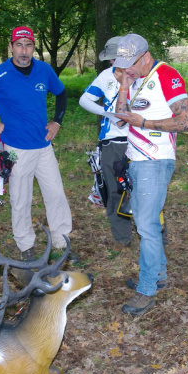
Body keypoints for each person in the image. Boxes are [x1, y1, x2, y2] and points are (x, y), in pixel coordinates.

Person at [0, 26, 75, 266]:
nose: (23, 51)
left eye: (28, 45)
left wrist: (57, 121)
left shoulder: (44, 70)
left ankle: (61, 242)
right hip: (16, 148)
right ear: (11, 47)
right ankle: (26, 247)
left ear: (34, 47)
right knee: (21, 198)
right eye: (19, 45)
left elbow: (62, 93)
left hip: (43, 144)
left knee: (55, 193)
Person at [113, 34, 188, 316]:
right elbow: (120, 115)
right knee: (146, 223)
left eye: (130, 64)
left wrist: (145, 122)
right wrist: (124, 84)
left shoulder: (166, 74)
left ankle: (146, 290)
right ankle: (158, 275)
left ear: (145, 55)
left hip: (155, 160)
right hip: (137, 159)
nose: (128, 69)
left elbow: (185, 121)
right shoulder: (134, 78)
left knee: (146, 226)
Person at [79, 36, 133, 250]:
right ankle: (122, 238)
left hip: (139, 140)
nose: (113, 63)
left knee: (144, 189)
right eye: (111, 60)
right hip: (112, 141)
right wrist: (107, 114)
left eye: (116, 58)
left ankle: (154, 234)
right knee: (114, 190)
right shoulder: (105, 76)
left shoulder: (141, 74)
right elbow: (84, 100)